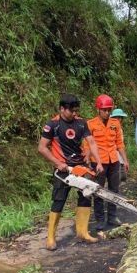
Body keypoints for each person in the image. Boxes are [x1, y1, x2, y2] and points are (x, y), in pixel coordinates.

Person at [37, 94, 104, 249]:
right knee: (59, 200)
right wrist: (57, 162)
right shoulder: (52, 125)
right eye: (71, 111)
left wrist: (98, 161)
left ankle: (83, 232)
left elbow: (92, 142)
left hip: (81, 167)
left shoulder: (81, 123)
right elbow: (42, 147)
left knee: (86, 197)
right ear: (62, 109)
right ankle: (51, 238)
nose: (75, 114)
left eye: (76, 111)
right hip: (63, 169)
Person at [85, 94, 130, 233]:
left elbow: (119, 144)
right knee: (98, 190)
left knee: (114, 189)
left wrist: (125, 160)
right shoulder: (90, 124)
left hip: (113, 161)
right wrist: (87, 160)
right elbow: (87, 144)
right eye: (104, 110)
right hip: (98, 162)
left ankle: (112, 216)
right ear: (98, 109)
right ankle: (99, 219)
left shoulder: (115, 123)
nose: (107, 112)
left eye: (109, 110)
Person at [110, 108, 129, 182]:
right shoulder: (111, 127)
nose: (119, 119)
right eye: (117, 117)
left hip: (119, 152)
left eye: (120, 117)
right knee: (118, 174)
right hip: (114, 152)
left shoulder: (119, 128)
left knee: (123, 174)